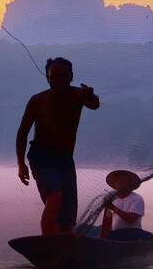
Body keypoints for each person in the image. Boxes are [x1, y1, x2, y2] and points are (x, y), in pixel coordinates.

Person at [15, 57, 100, 236]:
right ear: (47, 78)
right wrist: (21, 164)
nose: (58, 80)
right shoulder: (38, 100)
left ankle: (61, 247)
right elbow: (22, 133)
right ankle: (47, 244)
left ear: (70, 76)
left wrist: (90, 95)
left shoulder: (78, 95)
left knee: (67, 218)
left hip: (64, 158)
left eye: (62, 76)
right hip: (41, 155)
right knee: (54, 197)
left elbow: (94, 104)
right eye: (53, 77)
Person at [99, 169, 153, 241]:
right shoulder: (112, 200)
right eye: (119, 181)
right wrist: (103, 238)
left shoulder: (136, 199)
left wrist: (113, 208)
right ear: (115, 185)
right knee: (107, 237)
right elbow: (108, 220)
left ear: (130, 185)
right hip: (116, 232)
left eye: (124, 181)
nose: (121, 184)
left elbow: (131, 219)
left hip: (133, 232)